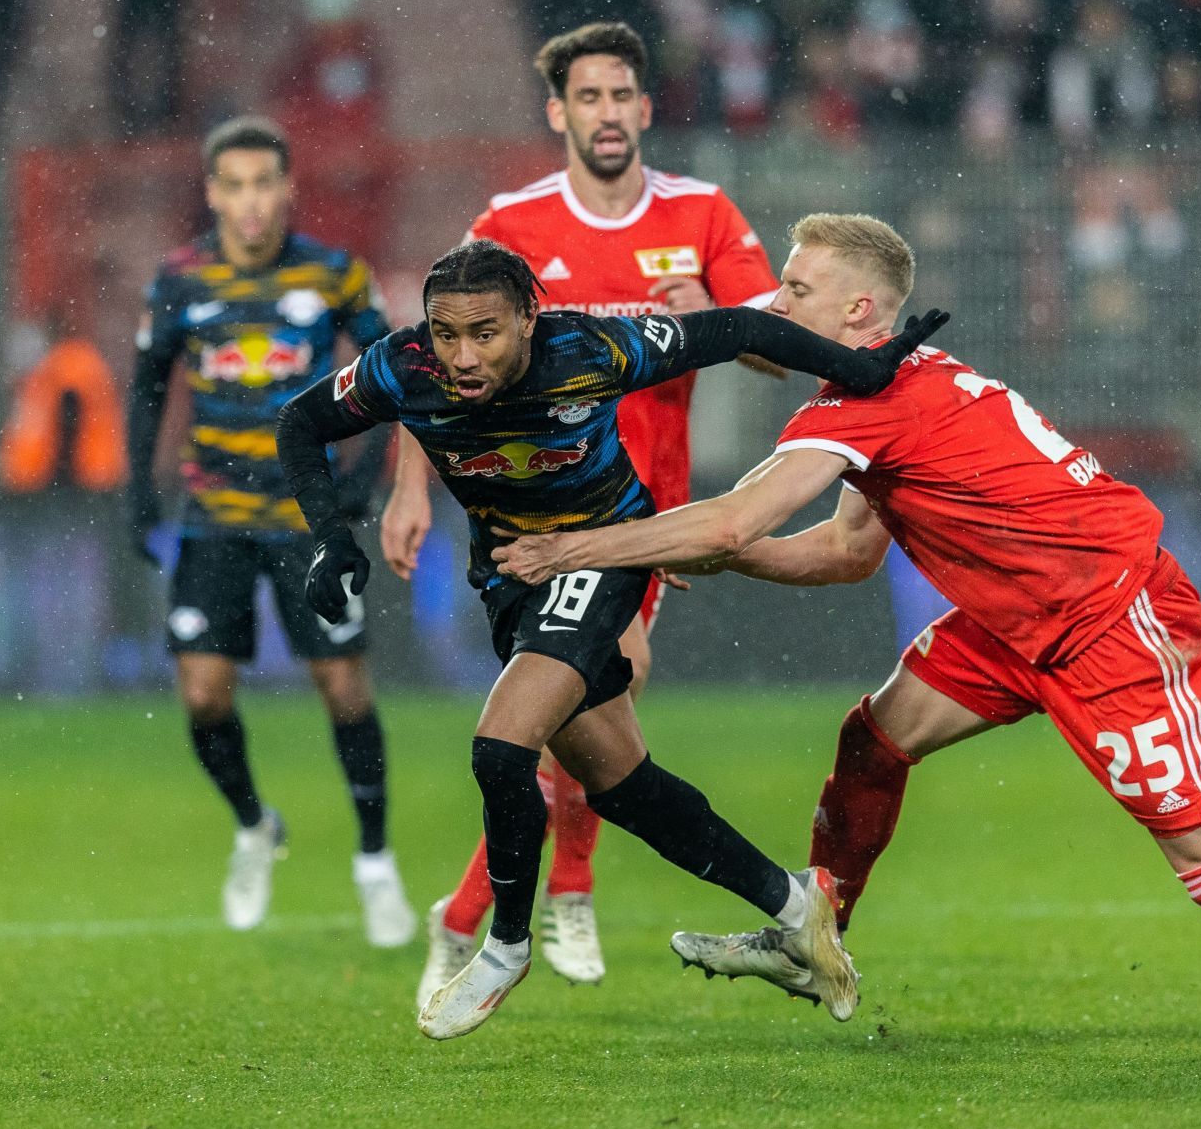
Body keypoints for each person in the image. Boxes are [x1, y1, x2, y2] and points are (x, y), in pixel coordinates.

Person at [494, 213, 1201, 1047]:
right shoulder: (874, 384)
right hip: (1013, 621)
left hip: (1108, 621)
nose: (773, 304)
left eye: (795, 290)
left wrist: (581, 546)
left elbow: (733, 517)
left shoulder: (862, 407)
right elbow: (848, 551)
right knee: (877, 735)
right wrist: (722, 550)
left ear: (860, 308)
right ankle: (815, 934)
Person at [276, 238, 948, 1039]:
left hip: (603, 555)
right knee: (624, 787)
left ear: (530, 316)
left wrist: (861, 370)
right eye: (445, 333)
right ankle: (797, 905)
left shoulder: (588, 350)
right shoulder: (401, 366)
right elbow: (301, 420)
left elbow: (735, 328)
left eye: (484, 333)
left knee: (500, 748)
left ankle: (506, 945)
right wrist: (327, 534)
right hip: (510, 577)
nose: (461, 355)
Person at [378, 20, 782, 1003]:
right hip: (532, 512)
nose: (607, 115)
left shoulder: (703, 214)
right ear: (559, 113)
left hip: (645, 515)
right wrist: (406, 485)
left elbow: (779, 349)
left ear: (646, 108)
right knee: (588, 707)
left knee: (581, 713)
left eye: (622, 97)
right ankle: (555, 889)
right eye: (587, 99)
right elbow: (436, 356)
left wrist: (715, 326)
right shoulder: (514, 224)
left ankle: (487, 909)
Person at [126, 116, 416, 947]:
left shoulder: (333, 274)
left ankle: (374, 861)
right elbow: (146, 385)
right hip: (213, 514)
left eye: (266, 185)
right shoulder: (179, 279)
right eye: (235, 186)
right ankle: (254, 823)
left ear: (288, 189)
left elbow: (399, 370)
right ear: (213, 192)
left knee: (346, 691)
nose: (252, 203)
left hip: (302, 520)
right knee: (203, 694)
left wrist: (364, 476)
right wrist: (134, 491)